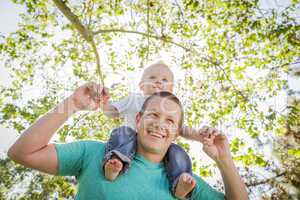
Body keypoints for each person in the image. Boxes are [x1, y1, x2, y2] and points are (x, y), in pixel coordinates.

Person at [8, 85, 248, 200]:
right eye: (153, 115)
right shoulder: (96, 153)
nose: (160, 124)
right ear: (138, 119)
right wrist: (72, 104)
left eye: (170, 121)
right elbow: (22, 153)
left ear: (176, 133)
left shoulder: (184, 180)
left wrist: (224, 159)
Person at [100, 61, 206, 198]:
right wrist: (104, 103)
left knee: (177, 152)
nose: (158, 82)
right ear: (141, 85)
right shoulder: (133, 99)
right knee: (121, 132)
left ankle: (180, 183)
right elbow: (112, 112)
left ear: (171, 89)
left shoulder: (170, 107)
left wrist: (199, 136)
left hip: (157, 146)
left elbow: (181, 129)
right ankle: (115, 163)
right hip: (131, 141)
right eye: (152, 78)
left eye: (164, 80)